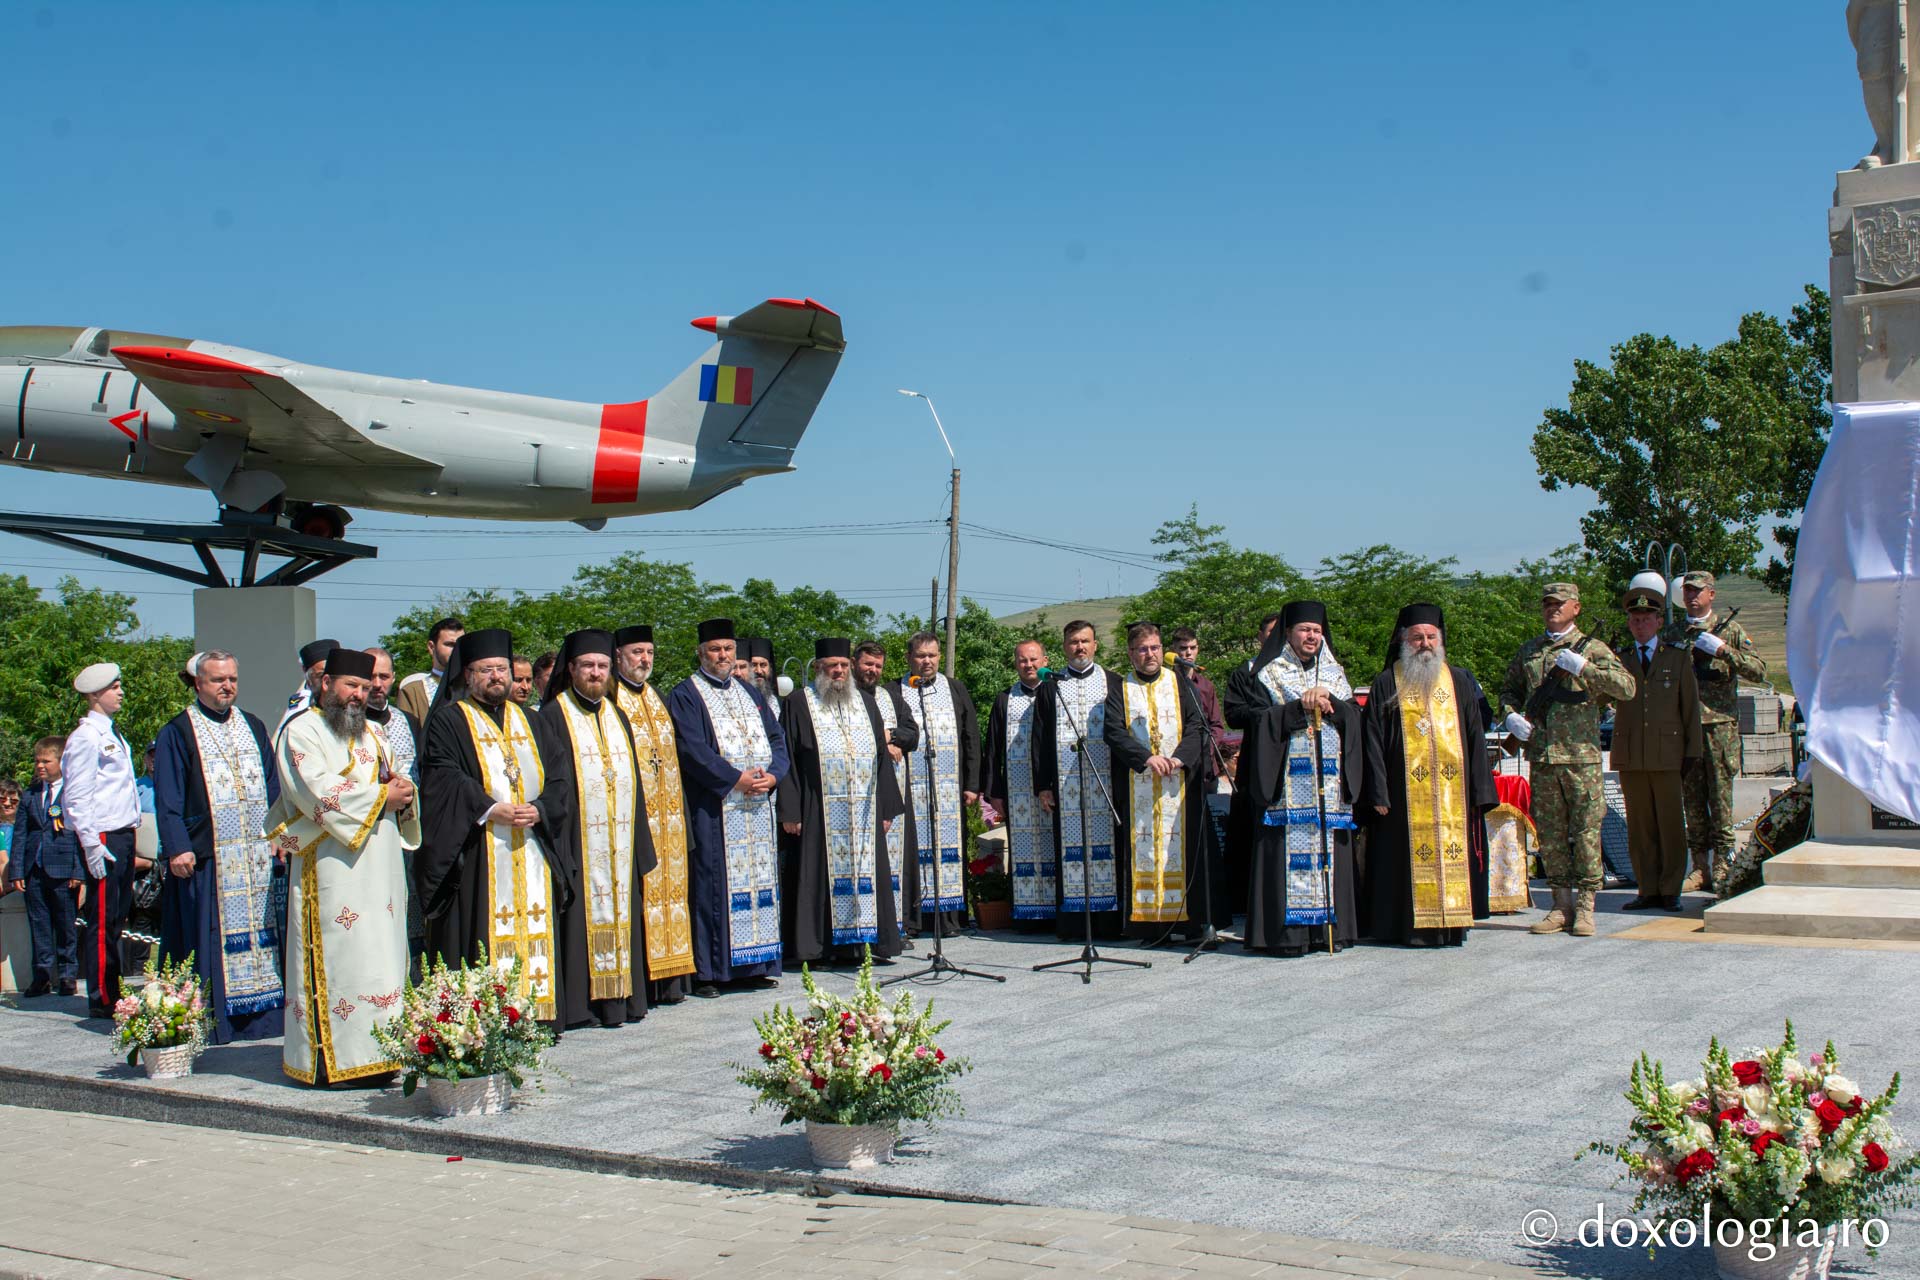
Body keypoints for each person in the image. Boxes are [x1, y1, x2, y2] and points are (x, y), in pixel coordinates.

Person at [267, 649, 421, 1085]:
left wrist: (403, 790)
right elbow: (313, 791)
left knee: (381, 954)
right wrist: (378, 798)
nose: (360, 694)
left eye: (365, 686)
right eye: (350, 685)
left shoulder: (375, 733)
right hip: (332, 866)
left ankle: (384, 1052)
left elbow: (394, 780)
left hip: (380, 864)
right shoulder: (302, 732)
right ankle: (333, 1061)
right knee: (341, 956)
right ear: (326, 684)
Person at [416, 628, 574, 1025]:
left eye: (502, 669)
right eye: (486, 670)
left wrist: (539, 808)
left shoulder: (534, 721)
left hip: (532, 844)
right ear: (467, 675)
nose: (497, 677)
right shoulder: (449, 721)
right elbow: (443, 779)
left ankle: (537, 1015)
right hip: (480, 848)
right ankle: (489, 1018)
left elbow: (560, 776)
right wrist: (489, 809)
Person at [153, 650, 285, 1044]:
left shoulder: (254, 725)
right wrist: (177, 847)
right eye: (217, 680)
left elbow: (272, 784)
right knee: (209, 937)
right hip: (209, 855)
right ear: (198, 683)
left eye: (232, 679)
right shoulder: (177, 731)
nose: (227, 686)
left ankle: (266, 1018)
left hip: (256, 856)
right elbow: (168, 797)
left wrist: (278, 832)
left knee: (265, 937)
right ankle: (216, 1021)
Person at [1501, 583, 1636, 938]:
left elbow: (1627, 689)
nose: (1552, 610)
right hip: (1543, 758)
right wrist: (1511, 716)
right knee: (1552, 834)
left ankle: (1586, 908)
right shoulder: (1530, 651)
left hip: (1581, 758)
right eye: (1547, 604)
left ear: (1576, 607)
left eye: (1559, 604)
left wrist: (1585, 668)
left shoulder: (1592, 649)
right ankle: (1560, 906)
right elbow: (1509, 691)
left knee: (1587, 832)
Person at [1362, 604, 1499, 947]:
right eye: (1417, 637)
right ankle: (1406, 928)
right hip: (1401, 797)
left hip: (1453, 798)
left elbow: (1474, 736)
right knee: (1402, 863)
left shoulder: (1459, 680)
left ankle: (1451, 925)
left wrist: (1481, 790)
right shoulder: (1386, 682)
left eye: (1430, 637)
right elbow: (1372, 743)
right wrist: (1378, 792)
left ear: (1440, 640)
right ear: (1403, 641)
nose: (1424, 643)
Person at [665, 618, 789, 997]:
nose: (723, 655)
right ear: (701, 653)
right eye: (716, 649)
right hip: (716, 808)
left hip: (757, 807)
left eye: (728, 649)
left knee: (758, 886)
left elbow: (776, 737)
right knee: (712, 884)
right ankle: (710, 973)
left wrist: (774, 776)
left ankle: (755, 965)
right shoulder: (686, 693)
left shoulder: (749, 692)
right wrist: (734, 778)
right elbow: (691, 748)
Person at [540, 630, 656, 1028]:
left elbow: (636, 784)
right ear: (570, 669)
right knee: (579, 921)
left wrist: (642, 845)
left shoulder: (616, 713)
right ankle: (582, 1008)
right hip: (580, 843)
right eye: (587, 665)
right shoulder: (553, 715)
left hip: (620, 843)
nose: (595, 672)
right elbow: (552, 785)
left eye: (602, 666)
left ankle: (622, 1001)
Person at [1239, 602, 1364, 955]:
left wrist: (1333, 704)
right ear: (1288, 634)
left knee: (1330, 853)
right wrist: (1298, 709)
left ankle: (1330, 931)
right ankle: (1287, 937)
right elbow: (1259, 722)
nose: (1312, 636)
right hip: (1287, 787)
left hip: (1330, 784)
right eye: (1304, 630)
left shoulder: (1335, 673)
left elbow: (1354, 719)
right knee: (1283, 855)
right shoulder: (1267, 673)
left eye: (1317, 630)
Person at [777, 638, 905, 963]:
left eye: (844, 666)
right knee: (817, 876)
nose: (838, 671)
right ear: (818, 667)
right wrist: (790, 809)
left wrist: (887, 807)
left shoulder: (865, 702)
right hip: (817, 806)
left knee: (866, 873)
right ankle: (821, 948)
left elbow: (880, 756)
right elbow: (786, 759)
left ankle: (865, 944)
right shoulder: (798, 703)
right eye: (832, 665)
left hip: (863, 810)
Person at [1101, 623, 1208, 939]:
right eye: (1143, 649)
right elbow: (1113, 732)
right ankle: (1149, 926)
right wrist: (1146, 757)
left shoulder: (1180, 684)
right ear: (1132, 654)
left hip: (1180, 786)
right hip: (1140, 787)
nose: (1150, 654)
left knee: (1185, 850)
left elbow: (1197, 728)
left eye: (1155, 648)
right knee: (1143, 851)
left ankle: (1188, 922)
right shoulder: (1120, 689)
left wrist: (1179, 758)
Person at [1662, 571, 1767, 893]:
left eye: (1698, 592)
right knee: (1691, 802)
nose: (1692, 597)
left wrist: (1724, 651)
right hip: (1685, 727)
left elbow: (1758, 671)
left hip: (1719, 726)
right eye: (1687, 592)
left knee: (1720, 801)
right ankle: (1700, 867)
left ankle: (1723, 863)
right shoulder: (1674, 632)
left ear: (1712, 594)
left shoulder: (1730, 630)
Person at [611, 625, 695, 1004]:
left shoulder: (658, 696)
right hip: (635, 818)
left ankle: (671, 981)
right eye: (636, 652)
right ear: (618, 656)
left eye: (649, 652)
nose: (644, 659)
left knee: (672, 895)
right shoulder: (611, 698)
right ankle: (643, 984)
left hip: (671, 817)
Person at [1615, 582, 1703, 912]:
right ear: (1629, 622)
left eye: (1646, 618)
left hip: (1668, 756)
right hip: (1632, 755)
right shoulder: (1620, 659)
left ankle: (1670, 890)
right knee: (1639, 827)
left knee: (1669, 826)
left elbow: (1690, 710)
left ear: (1658, 622)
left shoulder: (1677, 658)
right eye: (1635, 619)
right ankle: (1647, 888)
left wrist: (1693, 752)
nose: (1640, 624)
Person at [63, 662, 143, 1017]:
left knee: (118, 916)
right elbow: (76, 797)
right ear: (95, 694)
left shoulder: (112, 734)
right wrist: (91, 843)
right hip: (104, 833)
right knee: (102, 917)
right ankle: (101, 994)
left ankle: (112, 985)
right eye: (114, 687)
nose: (120, 692)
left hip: (123, 833)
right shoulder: (86, 737)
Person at [889, 631, 979, 938]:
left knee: (947, 847)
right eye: (920, 656)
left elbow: (970, 737)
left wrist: (971, 783)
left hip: (949, 787)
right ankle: (913, 917)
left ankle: (949, 918)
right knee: (913, 850)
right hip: (908, 787)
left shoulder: (955, 688)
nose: (927, 661)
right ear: (909, 658)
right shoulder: (894, 690)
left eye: (932, 655)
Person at [1033, 620, 1120, 939]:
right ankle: (1072, 924)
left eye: (1085, 641)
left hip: (1105, 781)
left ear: (1095, 645)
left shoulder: (1114, 681)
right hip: (1065, 783)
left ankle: (1109, 924)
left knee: (1107, 851)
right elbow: (1039, 738)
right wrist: (1043, 785)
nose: (1079, 647)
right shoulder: (1051, 685)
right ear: (1064, 647)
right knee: (1070, 852)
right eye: (1073, 642)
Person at [982, 639, 1056, 928]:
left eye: (1034, 659)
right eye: (1023, 660)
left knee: (1052, 846)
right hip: (1017, 789)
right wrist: (994, 792)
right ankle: (1027, 914)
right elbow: (993, 748)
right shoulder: (1005, 699)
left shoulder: (1056, 694)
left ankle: (1054, 912)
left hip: (1049, 788)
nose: (1029, 665)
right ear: (1016, 664)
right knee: (1023, 849)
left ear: (1045, 661)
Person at [364, 646, 426, 965]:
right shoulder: (348, 723)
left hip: (410, 833)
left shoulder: (409, 721)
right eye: (370, 676)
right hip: (369, 834)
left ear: (393, 678)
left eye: (384, 676)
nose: (377, 683)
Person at [854, 640, 919, 935]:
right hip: (859, 790)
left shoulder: (890, 696)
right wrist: (883, 743)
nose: (872, 670)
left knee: (893, 863)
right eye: (868, 664)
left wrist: (890, 735)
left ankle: (895, 927)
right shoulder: (846, 696)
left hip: (890, 788)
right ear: (855, 662)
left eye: (878, 666)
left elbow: (913, 734)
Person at [9, 738, 82, 997]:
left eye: (45, 761)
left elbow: (78, 834)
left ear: (61, 762)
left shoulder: (73, 791)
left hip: (63, 868)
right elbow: (20, 834)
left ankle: (67, 975)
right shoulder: (30, 794)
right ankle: (42, 975)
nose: (40, 766)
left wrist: (78, 871)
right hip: (34, 870)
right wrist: (17, 870)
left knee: (65, 924)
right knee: (38, 922)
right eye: (37, 761)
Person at [395, 616, 464, 725]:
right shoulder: (413, 691)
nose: (456, 650)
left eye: (460, 645)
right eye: (449, 645)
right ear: (432, 647)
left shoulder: (474, 687)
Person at [278, 638, 339, 734]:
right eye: (320, 676)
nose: (328, 683)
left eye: (334, 676)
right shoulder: (302, 708)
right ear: (308, 676)